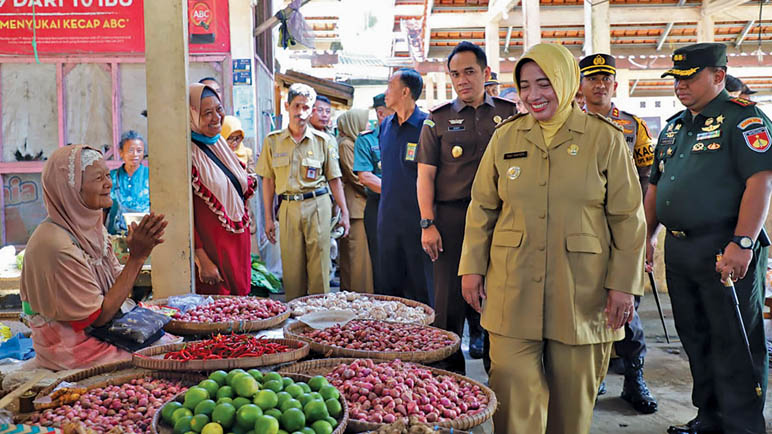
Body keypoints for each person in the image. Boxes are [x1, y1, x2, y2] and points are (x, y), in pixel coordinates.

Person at [459, 43, 646, 433]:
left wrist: (623, 286)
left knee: (572, 405)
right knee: (512, 398)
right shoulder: (506, 137)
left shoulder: (604, 139)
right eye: (525, 85)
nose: (533, 95)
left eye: (544, 83)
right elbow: (482, 208)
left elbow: (628, 217)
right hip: (513, 286)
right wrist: (472, 269)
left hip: (582, 291)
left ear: (566, 81)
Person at [647, 43, 772, 434]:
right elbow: (655, 188)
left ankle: (741, 424)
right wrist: (646, 238)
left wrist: (744, 243)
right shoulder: (674, 127)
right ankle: (710, 415)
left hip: (725, 247)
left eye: (690, 77)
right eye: (677, 78)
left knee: (733, 339)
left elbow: (762, 180)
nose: (680, 86)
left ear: (719, 76)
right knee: (696, 336)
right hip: (681, 248)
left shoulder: (744, 119)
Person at [416, 41, 518, 374]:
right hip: (451, 220)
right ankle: (449, 377)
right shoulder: (437, 121)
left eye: (470, 72)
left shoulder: (509, 115)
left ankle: (499, 371)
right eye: (455, 74)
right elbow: (425, 177)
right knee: (448, 303)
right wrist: (427, 223)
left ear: (486, 73)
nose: (462, 80)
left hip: (502, 219)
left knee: (501, 296)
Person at [20, 145, 167, 370]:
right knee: (162, 357)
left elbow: (116, 287)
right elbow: (98, 317)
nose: (108, 183)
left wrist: (135, 253)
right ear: (70, 189)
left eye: (108, 175)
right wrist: (137, 257)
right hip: (69, 347)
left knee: (169, 340)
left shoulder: (91, 229)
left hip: (100, 333)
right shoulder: (56, 245)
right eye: (99, 178)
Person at [578, 52, 658, 414]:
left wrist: (646, 235)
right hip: (582, 233)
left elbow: (647, 179)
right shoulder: (568, 125)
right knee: (581, 308)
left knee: (627, 310)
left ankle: (633, 378)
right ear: (579, 85)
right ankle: (592, 379)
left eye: (605, 79)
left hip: (623, 232)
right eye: (592, 78)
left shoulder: (632, 126)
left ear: (615, 83)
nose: (599, 85)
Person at [256, 83, 350, 301]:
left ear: (312, 110)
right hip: (288, 207)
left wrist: (344, 212)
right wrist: (268, 219)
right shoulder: (273, 142)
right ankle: (295, 320)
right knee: (292, 270)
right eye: (297, 106)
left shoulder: (324, 141)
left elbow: (335, 179)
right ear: (287, 106)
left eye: (306, 107)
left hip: (317, 205)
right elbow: (268, 181)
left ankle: (320, 321)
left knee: (320, 268)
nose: (301, 112)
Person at [190, 83, 256, 296]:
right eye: (206, 113)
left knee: (241, 313)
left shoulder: (219, 145)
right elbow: (184, 214)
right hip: (212, 252)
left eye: (218, 109)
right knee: (219, 315)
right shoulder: (188, 153)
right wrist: (201, 258)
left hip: (237, 248)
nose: (216, 117)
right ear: (191, 116)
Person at [378, 68, 433, 306]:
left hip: (417, 222)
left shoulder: (427, 125)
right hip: (388, 221)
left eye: (390, 86)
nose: (385, 93)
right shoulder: (385, 126)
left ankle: (426, 340)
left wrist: (428, 222)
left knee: (421, 289)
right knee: (390, 290)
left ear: (405, 91)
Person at [353, 93, 393, 293]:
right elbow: (366, 177)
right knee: (382, 263)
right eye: (394, 111)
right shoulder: (367, 140)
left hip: (411, 206)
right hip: (379, 207)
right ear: (381, 113)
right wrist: (398, 192)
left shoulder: (414, 135)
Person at [336, 109, 373, 293]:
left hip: (359, 207)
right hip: (355, 208)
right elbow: (356, 177)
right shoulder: (347, 145)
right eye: (365, 122)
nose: (368, 126)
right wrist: (380, 189)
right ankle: (360, 304)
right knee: (358, 263)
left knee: (358, 262)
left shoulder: (353, 142)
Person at [105, 131, 150, 235]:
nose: (135, 155)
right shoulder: (111, 177)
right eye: (130, 150)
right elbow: (103, 210)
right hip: (116, 236)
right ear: (121, 152)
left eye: (139, 151)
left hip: (144, 236)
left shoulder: (151, 176)